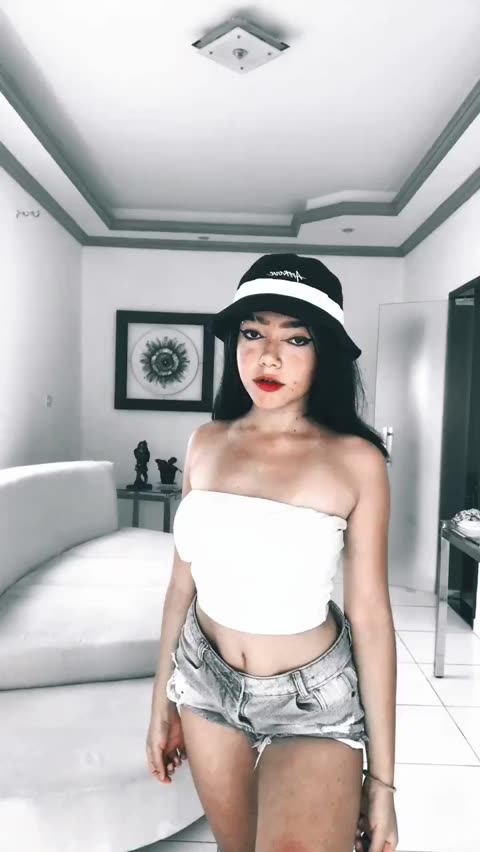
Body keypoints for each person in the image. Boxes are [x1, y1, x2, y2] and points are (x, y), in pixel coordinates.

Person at [146, 253, 398, 852]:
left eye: (296, 338)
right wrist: (162, 700)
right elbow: (182, 585)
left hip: (310, 701)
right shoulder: (205, 442)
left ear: (324, 353)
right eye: (253, 333)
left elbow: (370, 616)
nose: (268, 357)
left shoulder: (357, 460)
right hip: (205, 682)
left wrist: (384, 782)